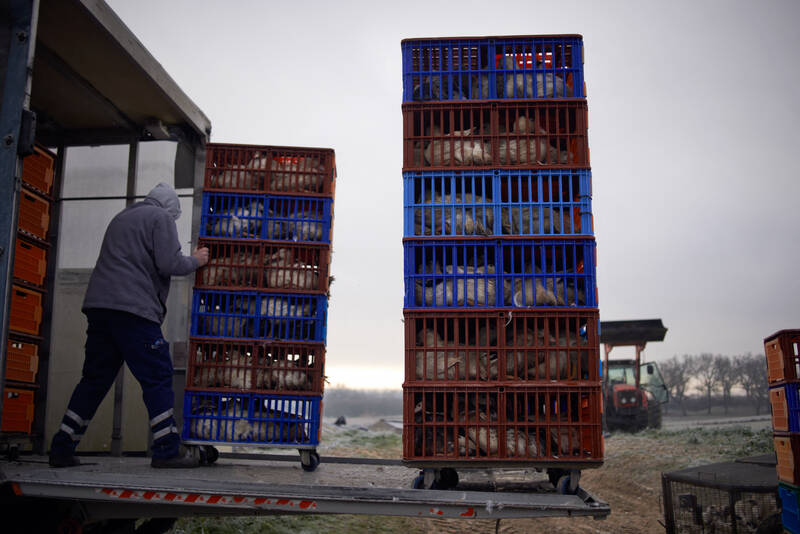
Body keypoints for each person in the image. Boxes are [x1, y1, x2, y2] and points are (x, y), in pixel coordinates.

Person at [49, 182, 209, 468]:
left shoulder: (123, 217)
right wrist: (196, 260)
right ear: (171, 209)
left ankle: (62, 445)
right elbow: (169, 263)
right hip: (133, 310)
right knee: (157, 373)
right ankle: (166, 448)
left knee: (95, 379)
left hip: (100, 308)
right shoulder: (160, 218)